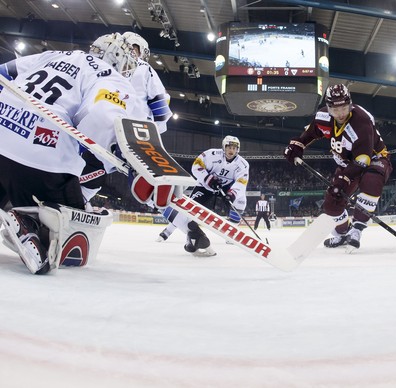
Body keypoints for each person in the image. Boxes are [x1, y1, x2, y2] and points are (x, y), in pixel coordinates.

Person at [0, 33, 179, 274]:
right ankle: (28, 223)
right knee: (74, 243)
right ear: (120, 59)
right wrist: (124, 155)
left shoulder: (55, 54)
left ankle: (26, 216)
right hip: (43, 156)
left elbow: (5, 73)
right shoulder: (110, 75)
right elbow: (103, 117)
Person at [283, 84, 392, 251]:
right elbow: (311, 132)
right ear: (328, 108)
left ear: (350, 104)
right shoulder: (323, 117)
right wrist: (298, 144)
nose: (340, 113)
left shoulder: (361, 121)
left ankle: (356, 230)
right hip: (347, 163)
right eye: (335, 109)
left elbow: (362, 160)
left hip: (374, 158)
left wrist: (344, 177)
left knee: (371, 180)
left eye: (344, 108)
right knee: (331, 203)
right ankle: (342, 233)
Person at [80, 31, 172, 211]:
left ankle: (78, 198)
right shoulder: (144, 68)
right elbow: (161, 107)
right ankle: (145, 177)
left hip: (100, 127)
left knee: (94, 170)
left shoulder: (99, 67)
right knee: (105, 168)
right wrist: (156, 131)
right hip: (134, 130)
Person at [157, 136, 250, 256]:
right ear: (224, 147)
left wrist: (232, 194)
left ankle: (231, 232)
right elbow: (196, 166)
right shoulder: (211, 154)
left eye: (234, 148)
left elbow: (241, 182)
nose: (231, 150)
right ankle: (169, 232)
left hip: (226, 187)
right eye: (229, 147)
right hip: (205, 186)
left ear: (238, 149)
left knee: (241, 199)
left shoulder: (243, 164)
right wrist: (208, 178)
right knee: (188, 212)